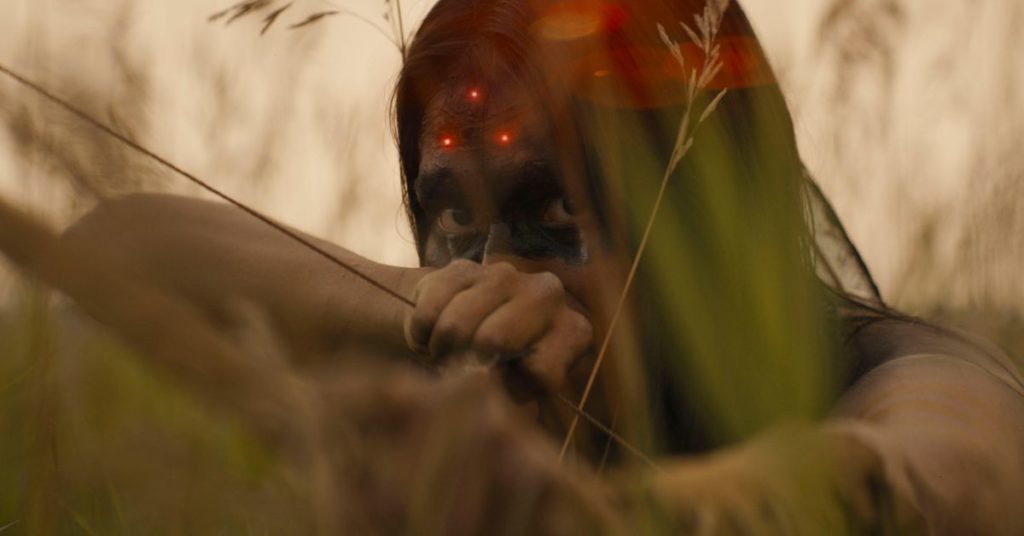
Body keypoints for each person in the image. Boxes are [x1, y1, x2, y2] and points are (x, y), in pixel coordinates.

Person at [59, 0, 1024, 533]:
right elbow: (108, 251)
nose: (503, 270)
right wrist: (412, 300)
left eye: (556, 209)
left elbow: (957, 469)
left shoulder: (884, 365)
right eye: (451, 215)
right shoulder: (466, 343)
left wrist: (646, 511)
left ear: (699, 232)